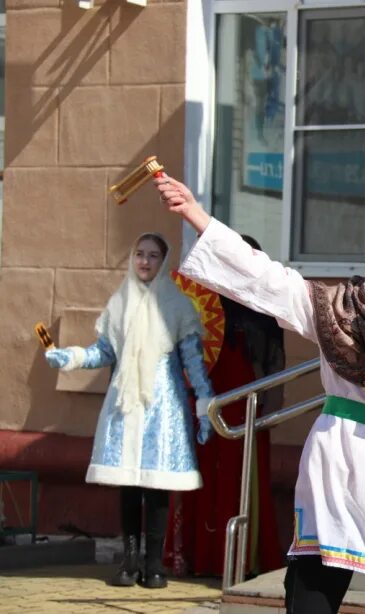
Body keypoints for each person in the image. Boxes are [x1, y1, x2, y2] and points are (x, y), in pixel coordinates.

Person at [154, 175, 365, 614]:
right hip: (335, 464)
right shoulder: (338, 305)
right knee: (310, 598)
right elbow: (267, 279)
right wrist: (197, 215)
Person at [44, 232, 214, 589]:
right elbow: (104, 352)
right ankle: (128, 562)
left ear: (164, 262)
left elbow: (194, 364)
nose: (145, 262)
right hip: (124, 408)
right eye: (139, 254)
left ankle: (154, 566)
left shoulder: (178, 306)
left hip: (162, 410)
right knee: (127, 488)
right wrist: (72, 357)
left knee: (156, 490)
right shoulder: (118, 303)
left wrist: (204, 407)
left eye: (153, 255)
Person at [164, 235, 285, 578]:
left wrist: (270, 410)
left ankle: (240, 560)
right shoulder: (202, 300)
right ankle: (198, 557)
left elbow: (274, 362)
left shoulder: (264, 307)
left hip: (247, 408)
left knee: (239, 480)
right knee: (201, 478)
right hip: (203, 401)